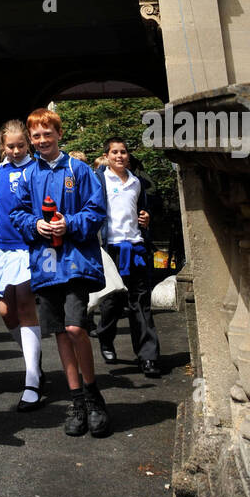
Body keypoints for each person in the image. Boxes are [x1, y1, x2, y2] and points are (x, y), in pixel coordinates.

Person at [10, 109, 111, 439]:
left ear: (58, 134)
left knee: (74, 327)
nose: (41, 141)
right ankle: (76, 400)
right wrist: (34, 224)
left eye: (46, 134)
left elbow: (96, 211)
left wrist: (70, 223)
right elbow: (18, 214)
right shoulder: (28, 175)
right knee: (59, 334)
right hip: (45, 266)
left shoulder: (79, 170)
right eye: (35, 136)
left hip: (76, 262)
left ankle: (94, 395)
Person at [0, 119, 43, 410]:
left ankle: (32, 378)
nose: (15, 151)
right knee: (6, 312)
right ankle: (34, 357)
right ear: (1, 146)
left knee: (25, 305)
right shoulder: (0, 170)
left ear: (27, 143)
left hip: (27, 246)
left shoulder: (36, 169)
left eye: (20, 145)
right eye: (10, 146)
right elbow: (1, 203)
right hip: (4, 247)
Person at [95, 137, 162, 377]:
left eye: (123, 152)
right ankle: (105, 337)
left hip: (135, 247)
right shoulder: (99, 180)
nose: (120, 156)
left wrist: (147, 218)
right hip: (111, 247)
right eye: (114, 152)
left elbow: (146, 209)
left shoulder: (137, 182)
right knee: (112, 302)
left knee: (140, 302)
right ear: (107, 156)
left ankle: (148, 357)